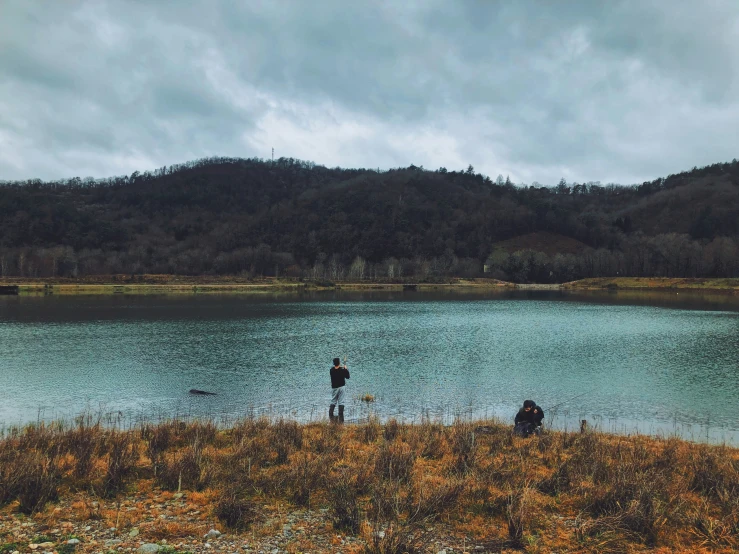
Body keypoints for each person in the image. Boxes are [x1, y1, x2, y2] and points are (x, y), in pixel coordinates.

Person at [329, 357, 350, 423]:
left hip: (334, 388)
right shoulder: (342, 370)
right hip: (341, 388)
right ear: (339, 363)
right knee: (341, 402)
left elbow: (336, 369)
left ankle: (330, 415)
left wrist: (343, 368)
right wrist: (346, 369)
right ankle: (341, 417)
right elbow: (348, 376)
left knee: (333, 401)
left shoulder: (331, 370)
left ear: (334, 363)